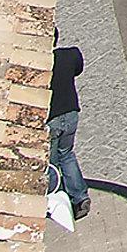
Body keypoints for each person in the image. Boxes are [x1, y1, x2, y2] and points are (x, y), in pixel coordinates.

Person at [48, 40, 90, 221]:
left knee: (51, 162)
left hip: (51, 119)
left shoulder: (38, 66)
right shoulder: (69, 55)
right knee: (67, 154)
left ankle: (58, 202)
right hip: (71, 113)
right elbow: (78, 67)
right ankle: (80, 197)